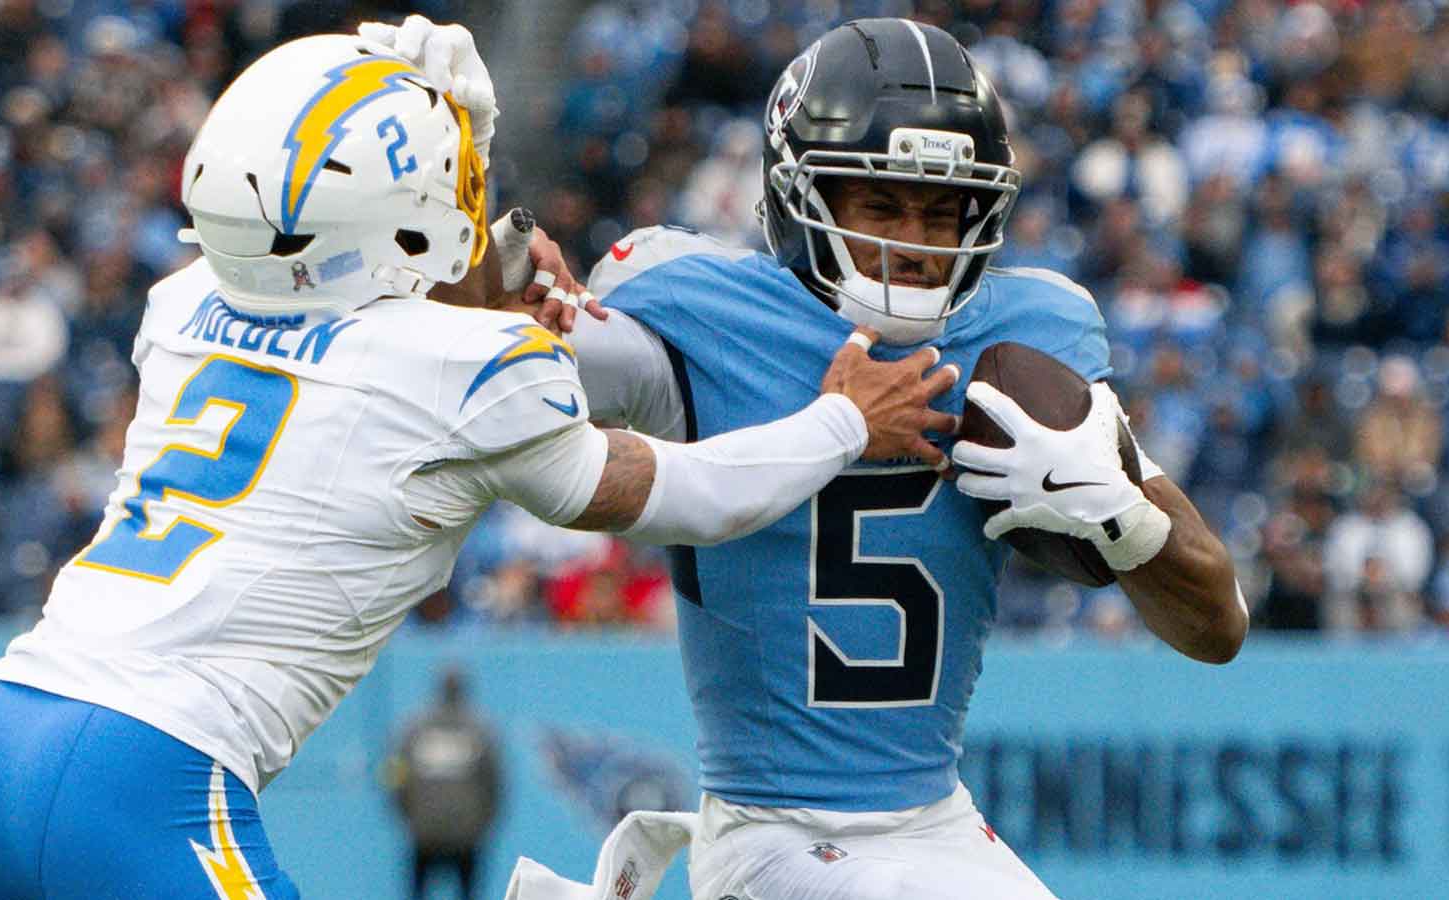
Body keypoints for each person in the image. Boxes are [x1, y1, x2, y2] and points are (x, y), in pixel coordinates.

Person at [0, 30, 960, 899]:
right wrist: (838, 426)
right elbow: (682, 492)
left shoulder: (182, 306)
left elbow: (386, 289)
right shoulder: (469, 370)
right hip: (149, 773)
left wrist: (456, 157)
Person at [432, 18, 1248, 900]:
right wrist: (460, 214)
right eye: (881, 205)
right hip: (772, 829)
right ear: (802, 200)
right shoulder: (706, 316)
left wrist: (1123, 516)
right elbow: (473, 367)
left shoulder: (1027, 341)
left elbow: (1220, 624)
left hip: (934, 821)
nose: (915, 240)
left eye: (942, 210)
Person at [385, 669, 502, 900]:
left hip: (424, 833)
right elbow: (494, 785)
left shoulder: (413, 729)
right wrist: (482, 826)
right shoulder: (481, 730)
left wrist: (408, 820)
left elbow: (395, 776)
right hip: (466, 836)